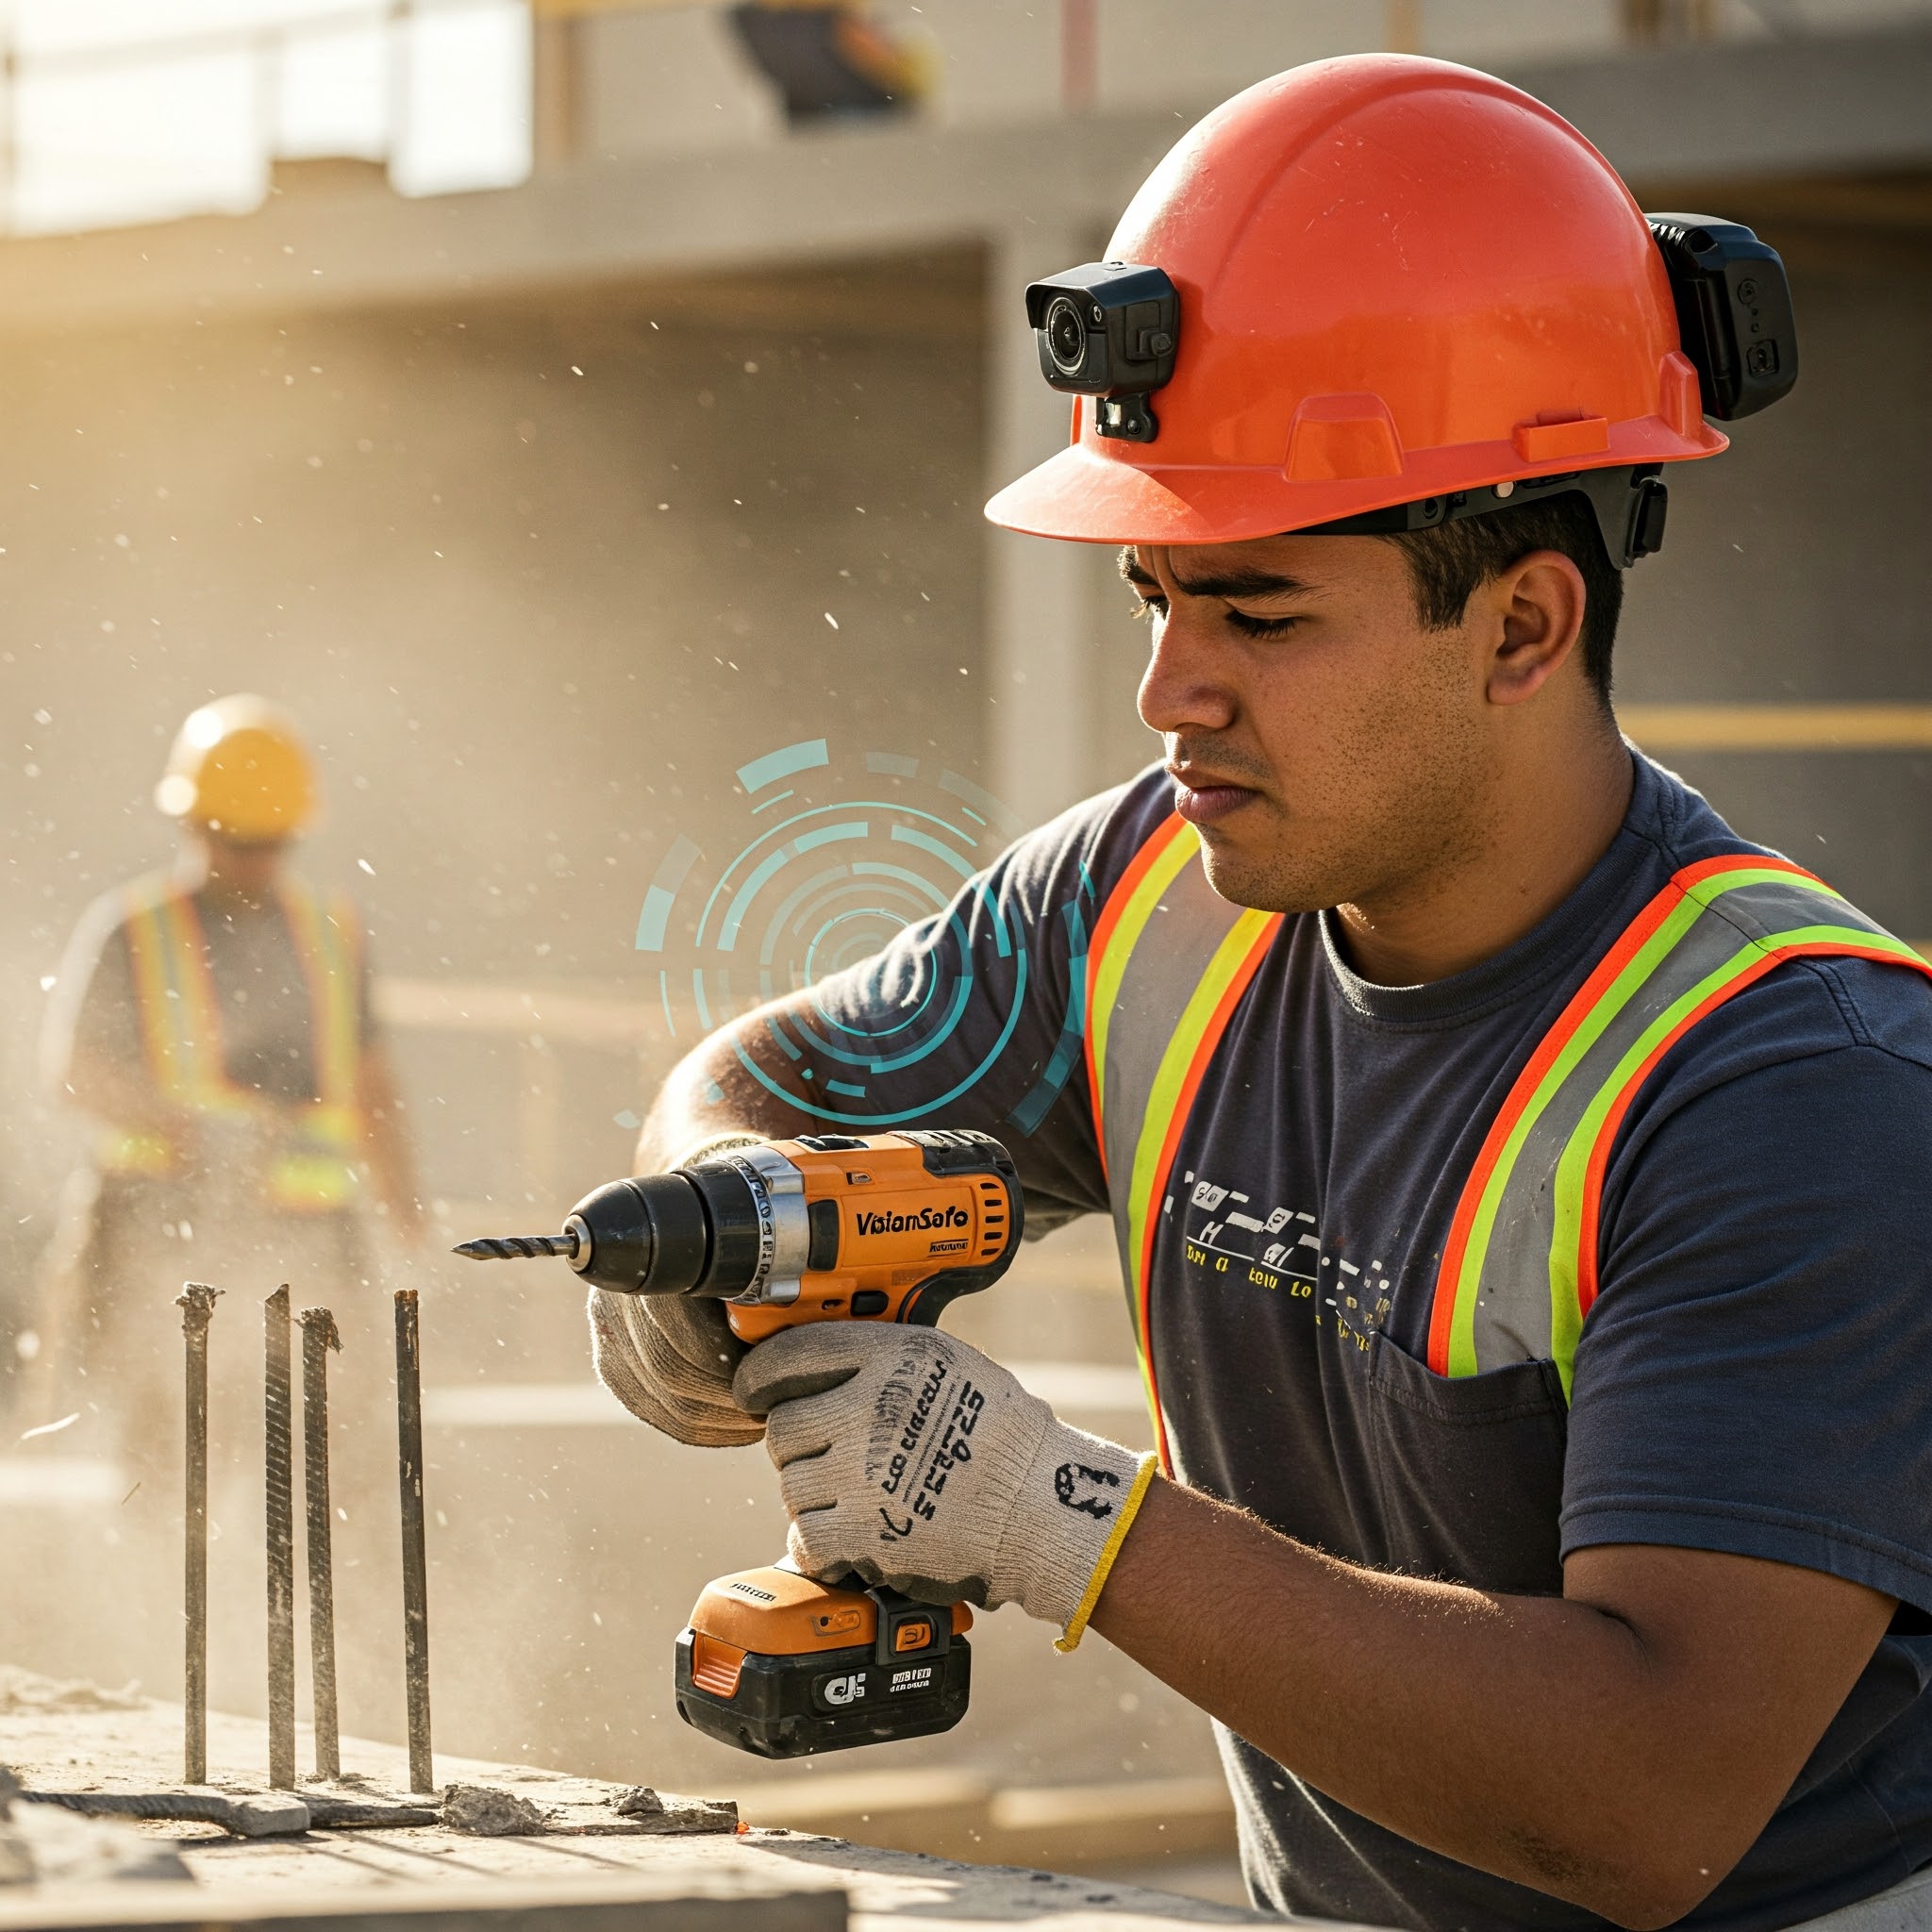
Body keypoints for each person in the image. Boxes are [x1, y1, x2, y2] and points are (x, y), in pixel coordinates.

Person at [591, 57, 1932, 1932]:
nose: (1168, 691)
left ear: (1523, 626)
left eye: (1259, 613)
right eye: (1155, 595)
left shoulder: (1789, 1085)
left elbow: (1654, 1798)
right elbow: (779, 1077)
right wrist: (725, 1219)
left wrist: (1060, 1521)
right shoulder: (1137, 900)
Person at [36, 693, 422, 1451]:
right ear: (192, 826)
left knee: (333, 1451)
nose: (252, 859)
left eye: (268, 841)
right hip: (163, 1226)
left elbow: (373, 1084)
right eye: (235, 840)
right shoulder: (133, 929)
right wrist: (180, 1124)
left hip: (311, 1234)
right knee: (169, 1444)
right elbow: (75, 1071)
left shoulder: (332, 930)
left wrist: (407, 1218)